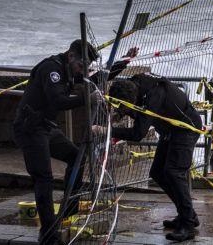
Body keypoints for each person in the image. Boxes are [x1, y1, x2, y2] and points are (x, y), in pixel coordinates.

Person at [13, 39, 136, 244]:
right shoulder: (51, 69)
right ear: (71, 56)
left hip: (46, 127)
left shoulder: (70, 68)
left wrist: (124, 62)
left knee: (76, 157)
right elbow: (58, 101)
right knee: (44, 179)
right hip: (30, 129)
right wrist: (89, 100)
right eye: (81, 65)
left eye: (85, 67)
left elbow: (95, 80)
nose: (83, 70)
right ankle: (49, 234)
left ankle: (68, 211)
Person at [106, 73, 202, 242]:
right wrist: (121, 113)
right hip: (169, 130)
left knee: (174, 173)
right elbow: (132, 107)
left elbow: (137, 133)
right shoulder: (135, 84)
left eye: (122, 107)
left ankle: (187, 225)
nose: (119, 109)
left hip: (186, 129)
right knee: (157, 172)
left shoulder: (153, 98)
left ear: (132, 100)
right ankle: (187, 214)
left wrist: (105, 130)